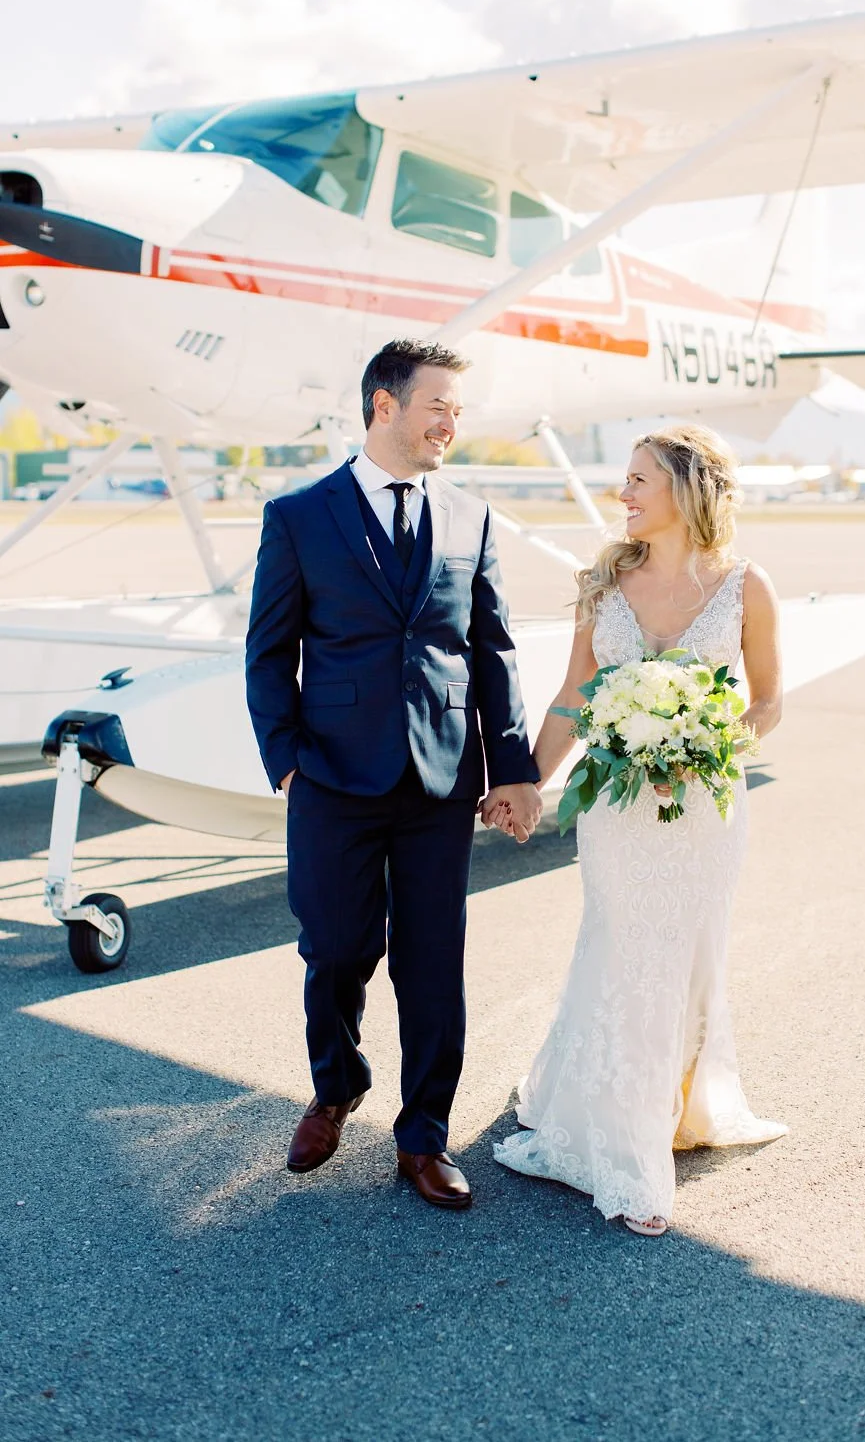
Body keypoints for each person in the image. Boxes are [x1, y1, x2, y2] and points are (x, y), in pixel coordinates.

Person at [246, 337, 542, 1212]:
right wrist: (287, 765)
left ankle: (423, 1137)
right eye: (438, 406)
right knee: (334, 950)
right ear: (384, 406)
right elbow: (269, 653)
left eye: (458, 409)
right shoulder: (299, 516)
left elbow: (491, 651)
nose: (452, 422)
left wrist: (515, 768)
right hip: (331, 778)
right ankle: (337, 1085)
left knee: (433, 966)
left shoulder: (472, 517)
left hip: (442, 781)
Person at [493, 425, 788, 1235]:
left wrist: (708, 743)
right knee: (622, 946)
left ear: (687, 491)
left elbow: (766, 700)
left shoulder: (744, 586)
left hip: (703, 811)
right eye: (623, 481)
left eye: (637, 480)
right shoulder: (603, 584)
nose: (622, 494)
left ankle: (675, 1106)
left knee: (686, 952)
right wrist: (527, 783)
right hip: (620, 814)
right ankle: (624, 1151)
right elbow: (571, 697)